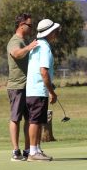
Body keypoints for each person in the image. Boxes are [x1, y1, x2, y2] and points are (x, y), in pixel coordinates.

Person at [26, 18, 60, 162]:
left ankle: (37, 149)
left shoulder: (37, 44)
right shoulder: (45, 47)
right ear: (50, 32)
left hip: (34, 89)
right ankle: (33, 152)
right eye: (55, 31)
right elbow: (44, 72)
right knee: (35, 121)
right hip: (38, 89)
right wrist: (52, 91)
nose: (57, 33)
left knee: (39, 120)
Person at [7, 13, 38, 161]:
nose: (31, 28)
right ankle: (15, 151)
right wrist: (29, 47)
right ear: (21, 25)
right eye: (30, 25)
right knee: (15, 118)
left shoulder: (24, 41)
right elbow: (16, 54)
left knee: (29, 119)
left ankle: (27, 150)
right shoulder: (15, 41)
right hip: (17, 86)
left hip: (28, 86)